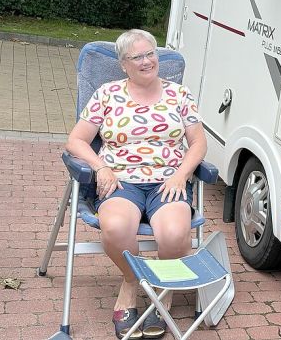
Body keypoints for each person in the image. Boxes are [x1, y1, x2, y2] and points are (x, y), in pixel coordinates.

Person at [65, 29, 206, 339]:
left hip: (168, 181)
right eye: (137, 57)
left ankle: (162, 290)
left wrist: (181, 174)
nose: (147, 61)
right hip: (121, 181)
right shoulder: (107, 94)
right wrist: (100, 167)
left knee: (174, 233)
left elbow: (198, 144)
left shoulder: (179, 95)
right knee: (114, 227)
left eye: (151, 54)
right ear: (123, 64)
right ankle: (130, 283)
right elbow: (76, 140)